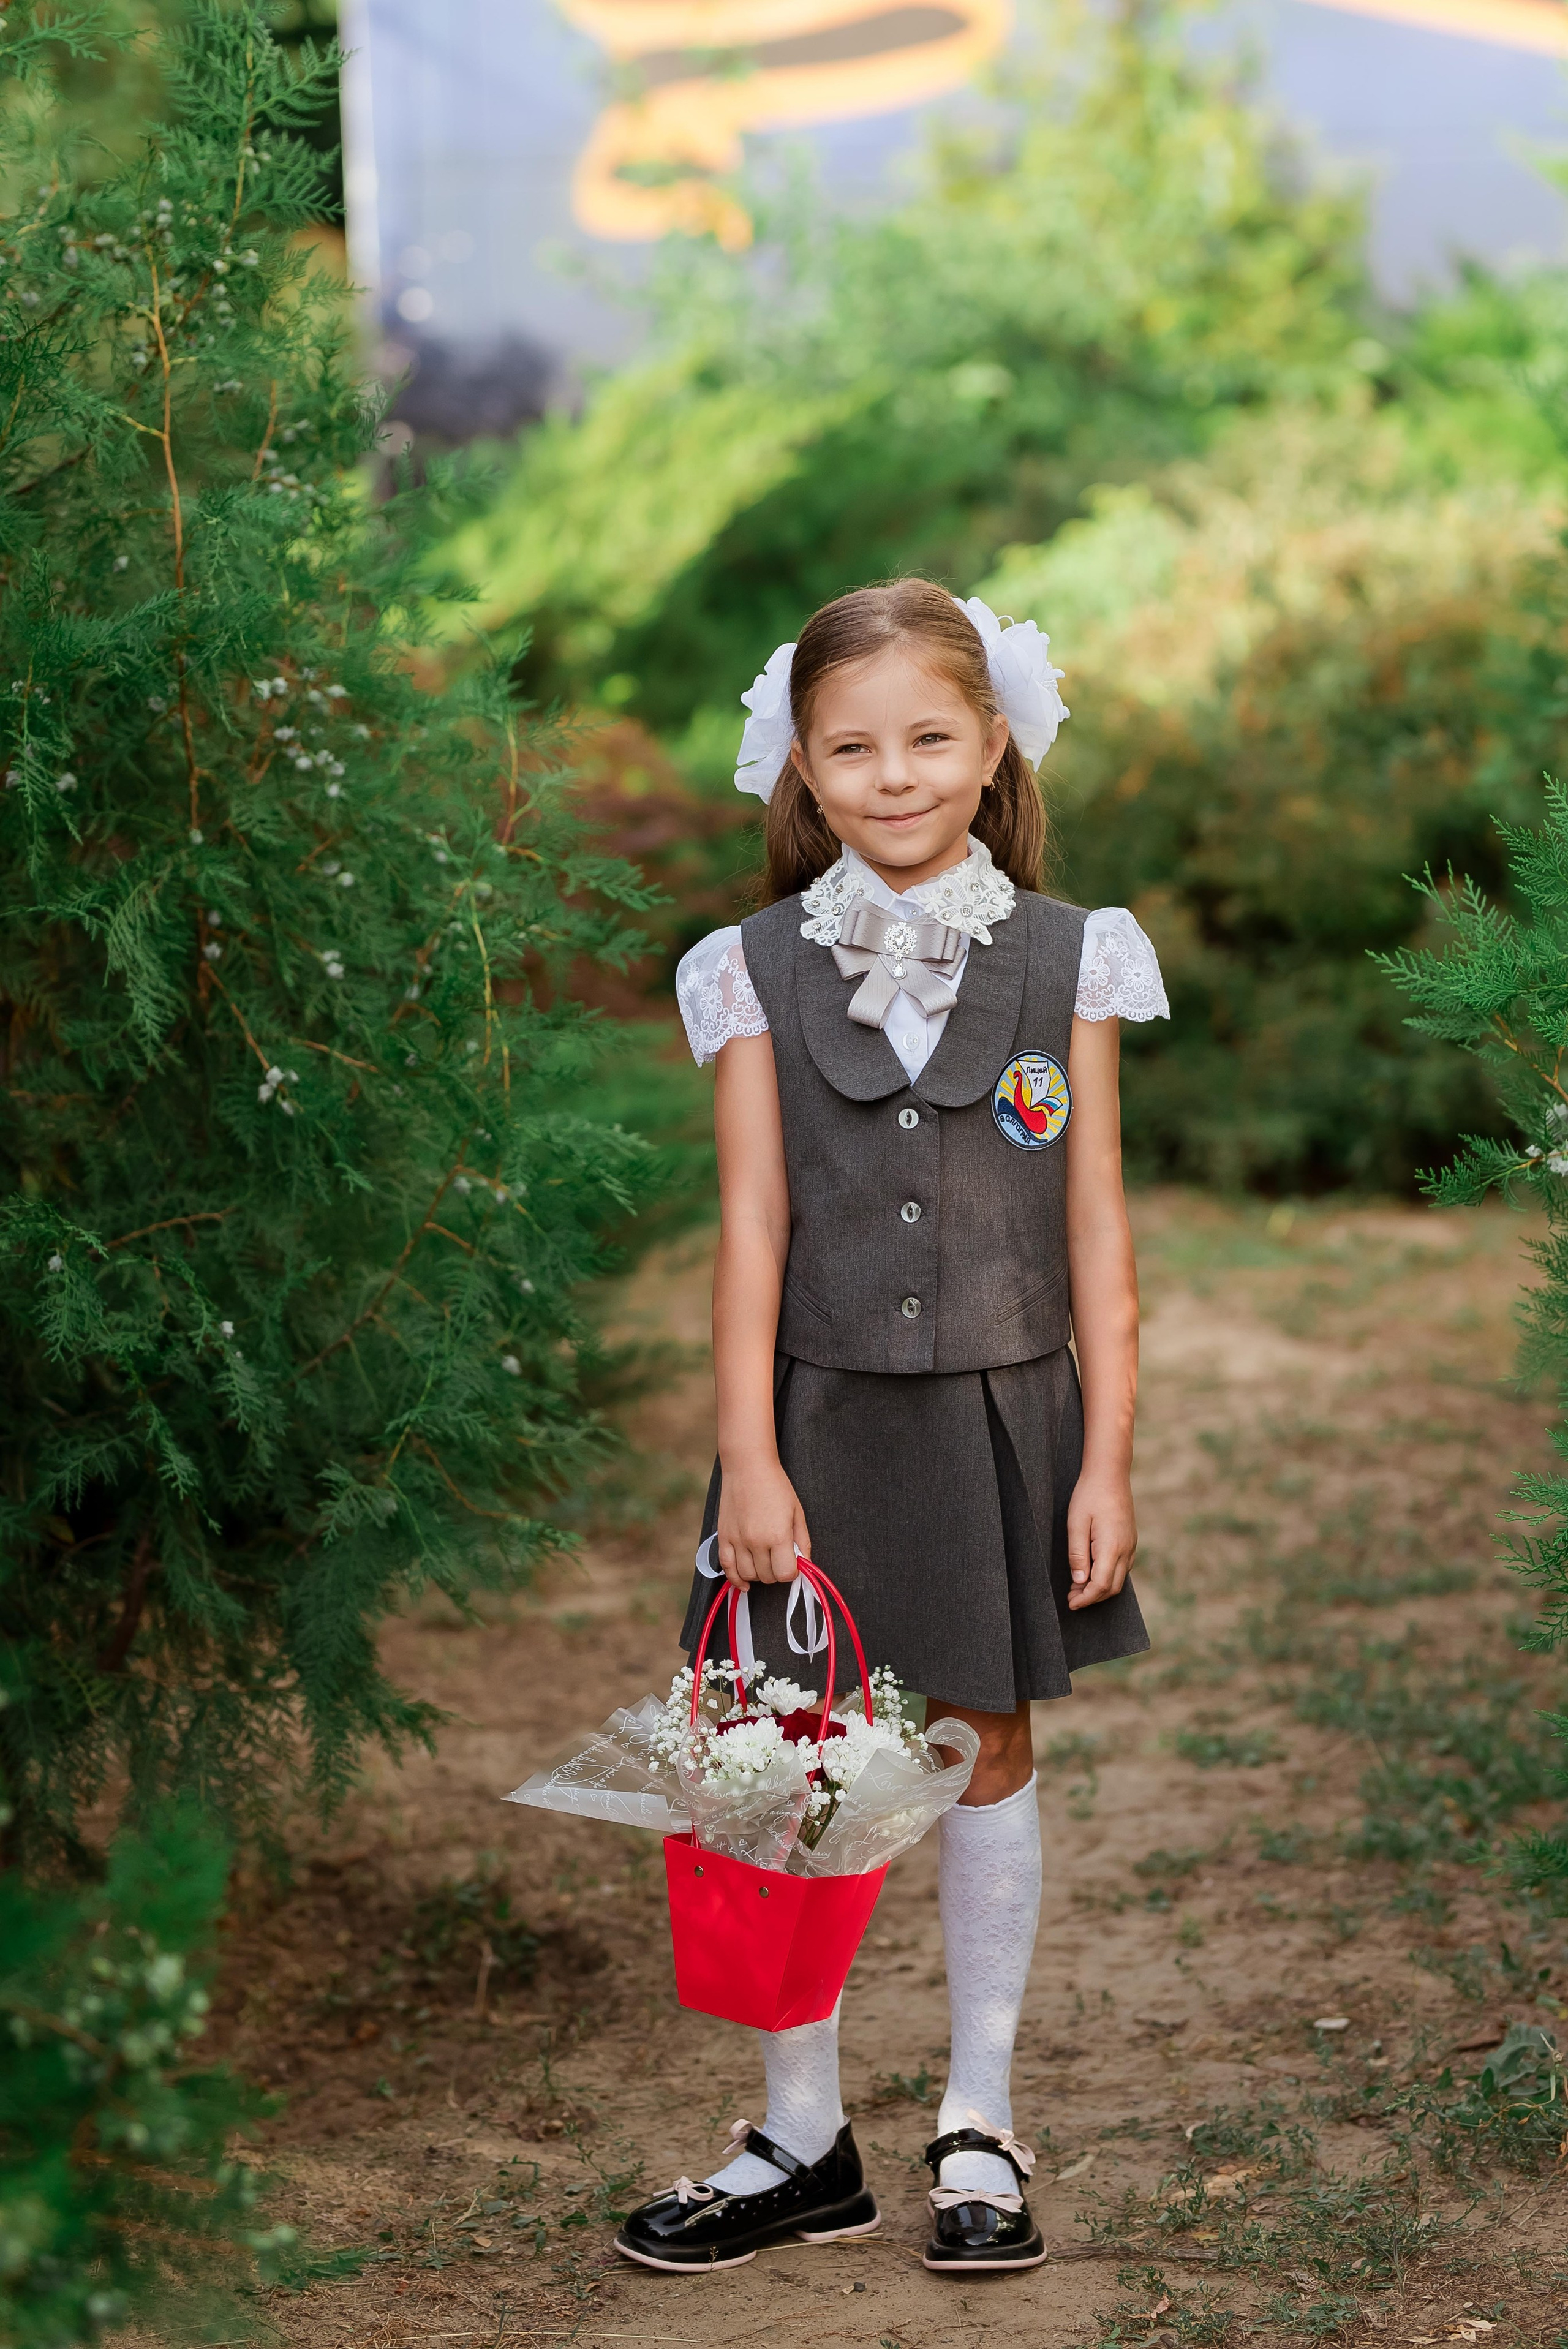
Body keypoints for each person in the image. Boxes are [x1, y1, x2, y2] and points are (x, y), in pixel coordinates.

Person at [614, 578, 1169, 2277]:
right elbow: (755, 1230)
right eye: (852, 746)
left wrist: (1110, 1451)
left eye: (932, 737)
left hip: (1007, 1420)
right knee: (794, 1777)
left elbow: (1096, 1231)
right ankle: (801, 2136)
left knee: (987, 1750)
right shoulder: (750, 970)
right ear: (800, 762)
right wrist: (753, 1457)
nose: (896, 773)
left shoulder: (1077, 952)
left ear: (992, 743)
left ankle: (979, 2119)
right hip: (817, 1427)